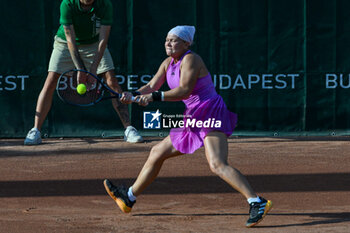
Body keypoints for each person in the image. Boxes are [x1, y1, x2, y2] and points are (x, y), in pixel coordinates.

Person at [103, 25, 272, 227]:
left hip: (210, 111)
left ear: (186, 43)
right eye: (166, 39)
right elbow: (151, 86)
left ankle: (256, 201)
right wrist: (132, 95)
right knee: (157, 152)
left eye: (173, 40)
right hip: (192, 116)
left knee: (217, 164)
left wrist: (152, 97)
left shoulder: (192, 59)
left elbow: (184, 91)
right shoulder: (167, 63)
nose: (168, 43)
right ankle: (129, 197)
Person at [24, 0, 143, 145]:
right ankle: (35, 131)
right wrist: (80, 69)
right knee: (50, 80)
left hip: (94, 45)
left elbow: (103, 39)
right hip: (65, 44)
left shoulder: (105, 4)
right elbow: (70, 39)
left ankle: (129, 129)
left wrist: (93, 69)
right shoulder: (67, 4)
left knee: (111, 80)